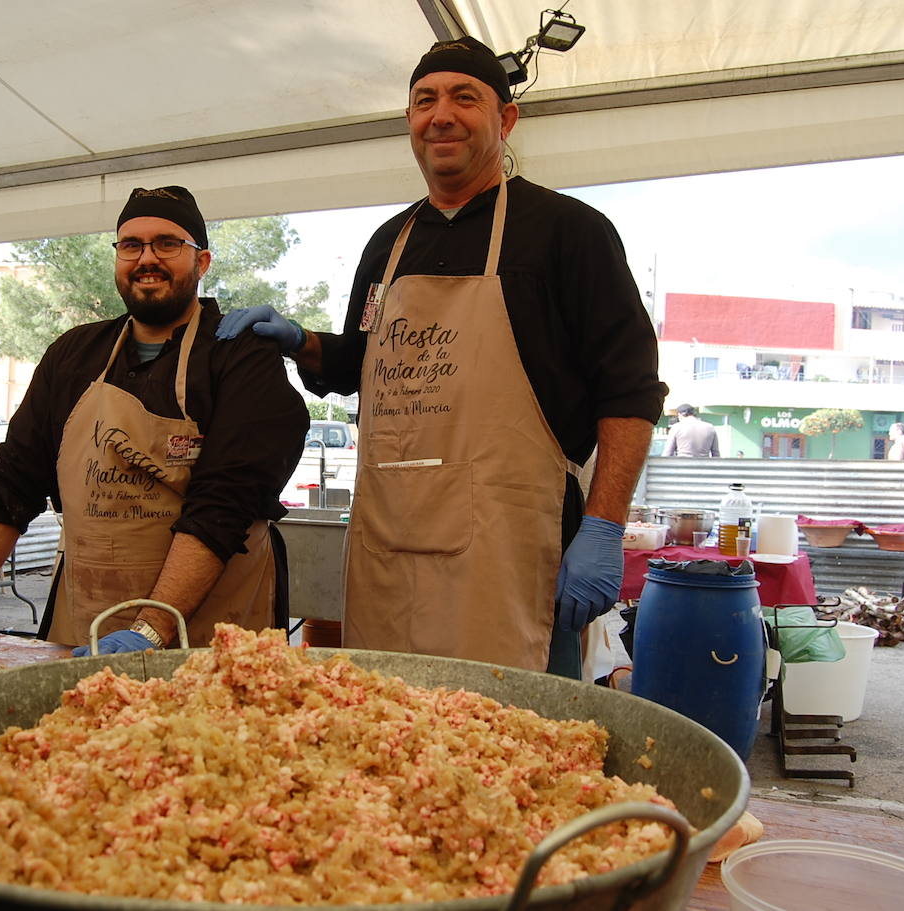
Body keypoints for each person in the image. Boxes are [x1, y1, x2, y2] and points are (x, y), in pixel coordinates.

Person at [216, 38, 666, 673]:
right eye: (425, 100)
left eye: (465, 97)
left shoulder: (570, 233)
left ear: (506, 119)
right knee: (394, 743)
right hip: (391, 549)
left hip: (513, 553)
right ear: (409, 123)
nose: (442, 115)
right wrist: (302, 342)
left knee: (513, 745)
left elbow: (631, 390)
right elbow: (359, 366)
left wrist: (605, 526)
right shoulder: (387, 245)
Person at [0, 186, 308, 652]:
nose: (147, 257)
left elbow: (226, 501)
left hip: (210, 626)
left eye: (168, 243)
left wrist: (151, 628)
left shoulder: (240, 353)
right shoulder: (73, 354)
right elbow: (12, 481)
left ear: (202, 261)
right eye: (131, 245)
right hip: (86, 615)